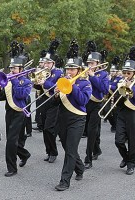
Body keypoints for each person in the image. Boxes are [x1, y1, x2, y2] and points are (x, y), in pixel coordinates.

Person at [54, 40, 92, 191]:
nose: (69, 72)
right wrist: (56, 95)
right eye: (68, 69)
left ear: (79, 70)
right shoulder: (62, 81)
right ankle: (80, 167)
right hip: (63, 118)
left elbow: (83, 100)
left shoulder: (85, 84)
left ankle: (64, 181)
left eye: (73, 69)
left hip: (77, 119)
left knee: (70, 150)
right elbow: (54, 104)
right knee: (66, 146)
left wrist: (73, 86)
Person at [0, 41, 32, 177]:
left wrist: (14, 81)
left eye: (15, 69)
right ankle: (25, 154)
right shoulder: (9, 80)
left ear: (21, 69)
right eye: (11, 68)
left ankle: (12, 168)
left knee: (11, 141)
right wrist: (0, 88)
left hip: (19, 112)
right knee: (10, 140)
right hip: (9, 111)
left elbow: (21, 95)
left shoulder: (27, 82)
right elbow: (1, 97)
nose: (12, 71)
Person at [115, 46, 135, 175]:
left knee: (133, 140)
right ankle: (126, 157)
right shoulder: (120, 82)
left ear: (134, 73)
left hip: (133, 113)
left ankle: (131, 163)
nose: (126, 75)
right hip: (121, 113)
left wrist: (129, 89)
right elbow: (116, 99)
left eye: (129, 73)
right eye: (124, 73)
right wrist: (121, 90)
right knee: (119, 140)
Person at [34, 39, 62, 163]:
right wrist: (36, 83)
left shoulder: (58, 73)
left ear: (53, 63)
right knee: (45, 128)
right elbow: (38, 87)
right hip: (44, 100)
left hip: (54, 102)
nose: (45, 65)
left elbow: (57, 86)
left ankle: (54, 151)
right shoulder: (43, 72)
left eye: (48, 63)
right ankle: (49, 150)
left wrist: (44, 82)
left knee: (49, 128)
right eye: (44, 63)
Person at [83, 42, 109, 169]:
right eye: (88, 63)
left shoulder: (104, 74)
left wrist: (92, 77)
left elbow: (104, 89)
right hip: (85, 103)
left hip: (97, 104)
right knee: (89, 130)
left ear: (98, 63)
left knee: (91, 130)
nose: (89, 65)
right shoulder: (85, 72)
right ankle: (97, 150)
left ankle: (88, 159)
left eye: (92, 63)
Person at [103, 56, 122, 134]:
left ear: (117, 72)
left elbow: (118, 87)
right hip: (109, 98)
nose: (112, 72)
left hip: (116, 98)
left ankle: (116, 126)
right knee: (106, 112)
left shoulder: (119, 79)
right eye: (111, 71)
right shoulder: (109, 78)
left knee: (115, 113)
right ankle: (113, 124)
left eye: (114, 71)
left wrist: (111, 86)